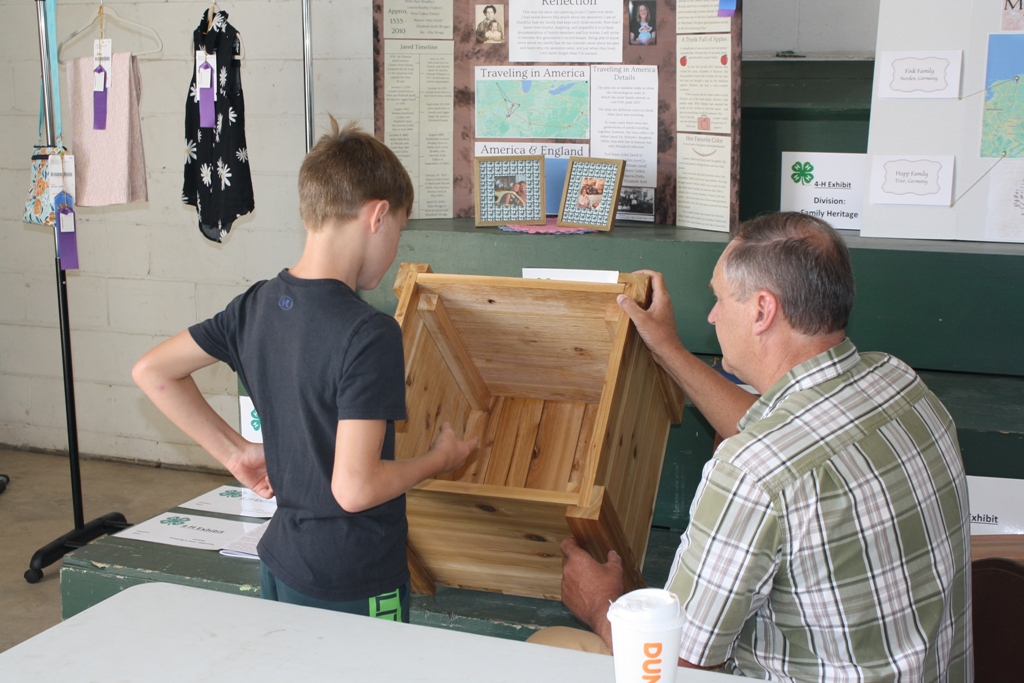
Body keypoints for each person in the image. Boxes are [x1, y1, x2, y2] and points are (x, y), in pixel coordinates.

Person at [534, 213, 973, 681]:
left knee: (549, 647)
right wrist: (668, 350)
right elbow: (777, 430)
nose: (712, 316)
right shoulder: (899, 381)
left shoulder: (749, 472)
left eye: (719, 298)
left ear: (762, 311)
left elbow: (676, 665)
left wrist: (602, 604)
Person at [132, 116, 478, 622]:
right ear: (378, 215)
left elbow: (153, 372)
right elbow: (355, 489)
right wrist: (438, 459)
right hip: (353, 576)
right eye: (400, 232)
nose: (396, 249)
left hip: (282, 561)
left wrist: (236, 453)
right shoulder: (370, 333)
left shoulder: (255, 305)